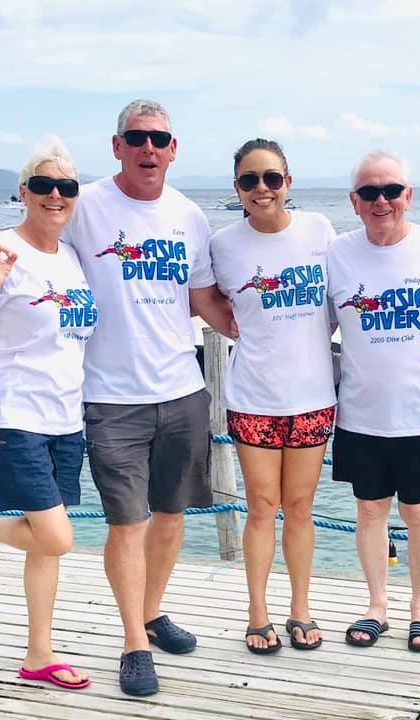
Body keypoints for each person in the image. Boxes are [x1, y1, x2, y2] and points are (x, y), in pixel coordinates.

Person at [64, 99, 235, 696]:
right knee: (126, 524)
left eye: (159, 139)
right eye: (136, 138)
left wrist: (271, 328)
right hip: (111, 398)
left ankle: (152, 612)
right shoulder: (83, 206)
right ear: (117, 146)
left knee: (171, 515)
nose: (148, 149)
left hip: (183, 390)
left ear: (173, 148)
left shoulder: (189, 215)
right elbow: (33, 246)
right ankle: (133, 642)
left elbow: (204, 296)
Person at [328, 150, 420, 652]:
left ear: (408, 195)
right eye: (369, 192)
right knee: (370, 513)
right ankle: (377, 606)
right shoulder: (336, 254)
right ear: (354, 201)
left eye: (391, 191)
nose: (381, 201)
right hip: (360, 415)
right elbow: (314, 323)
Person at [211, 139, 336, 654]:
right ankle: (257, 612)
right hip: (254, 396)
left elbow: (338, 301)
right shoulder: (223, 244)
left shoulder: (319, 230)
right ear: (237, 188)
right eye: (249, 180)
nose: (261, 189)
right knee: (262, 506)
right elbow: (204, 297)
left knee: (300, 507)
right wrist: (233, 328)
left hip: (312, 394)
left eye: (271, 178)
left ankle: (301, 608)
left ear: (288, 182)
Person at [0, 140, 97, 689]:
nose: (55, 195)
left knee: (44, 545)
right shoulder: (5, 249)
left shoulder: (71, 257)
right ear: (24, 192)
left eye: (66, 187)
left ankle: (39, 654)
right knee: (57, 537)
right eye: (43, 185)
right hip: (17, 416)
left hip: (66, 420)